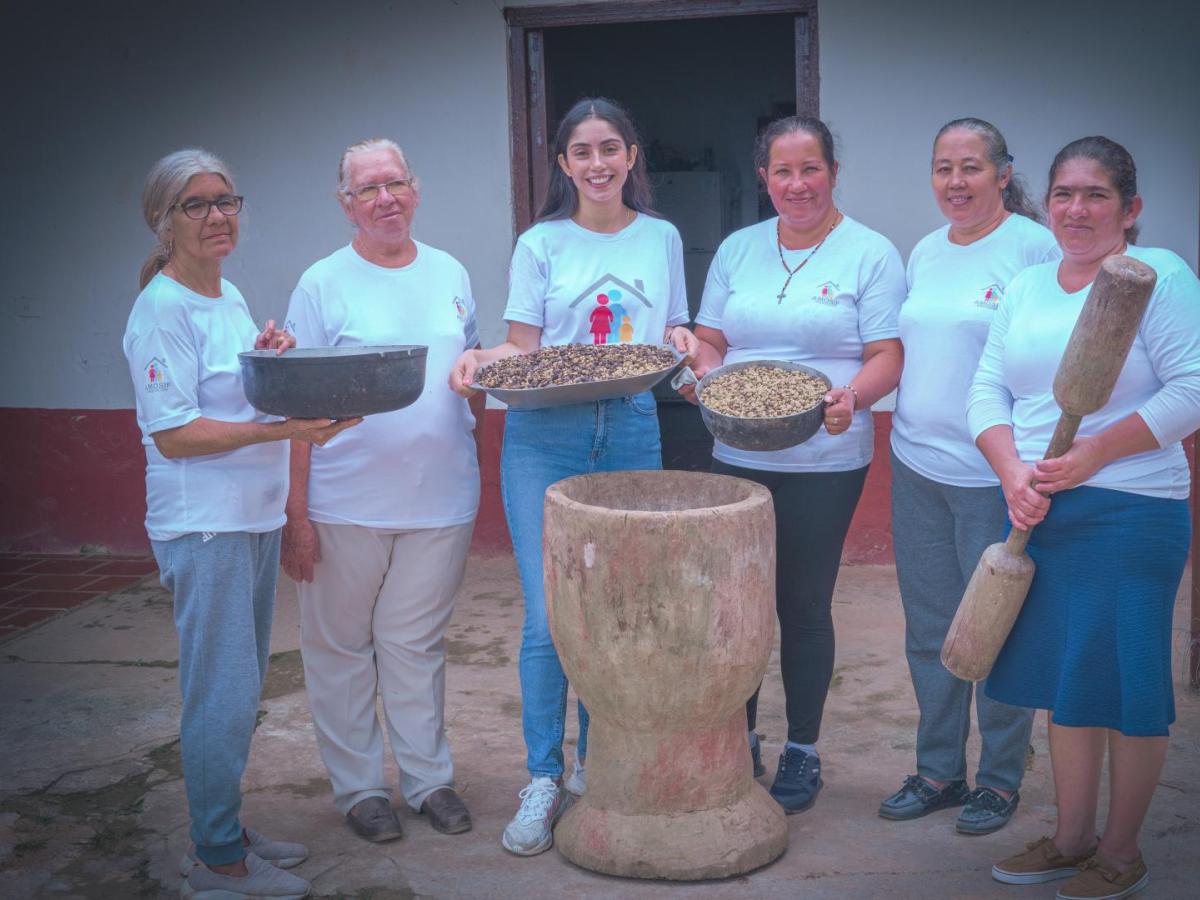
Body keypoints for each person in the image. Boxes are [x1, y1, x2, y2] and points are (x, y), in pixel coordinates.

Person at [449, 97, 697, 856]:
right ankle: (543, 776)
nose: (597, 163)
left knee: (620, 607)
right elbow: (525, 349)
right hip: (544, 435)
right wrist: (484, 360)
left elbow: (672, 336)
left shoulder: (662, 237)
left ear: (631, 158)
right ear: (562, 164)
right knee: (548, 613)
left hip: (630, 425)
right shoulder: (541, 243)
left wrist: (685, 343)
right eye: (582, 151)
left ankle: (599, 764)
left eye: (610, 148)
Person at [969, 136, 1200, 899]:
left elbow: (1193, 389)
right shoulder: (1028, 285)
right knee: (1070, 684)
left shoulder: (1156, 275)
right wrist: (1013, 474)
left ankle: (1122, 851)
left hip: (1133, 510)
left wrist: (1096, 455)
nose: (1076, 208)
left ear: (1130, 209)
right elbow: (988, 393)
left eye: (1096, 194)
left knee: (1128, 686)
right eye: (1064, 193)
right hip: (1042, 508)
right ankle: (1071, 837)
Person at [123, 149, 357, 900]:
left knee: (240, 684)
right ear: (165, 222)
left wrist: (269, 363)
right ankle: (216, 862)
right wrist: (284, 433)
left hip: (247, 520)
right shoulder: (161, 309)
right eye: (196, 205)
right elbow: (175, 433)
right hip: (207, 527)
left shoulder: (223, 298)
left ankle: (222, 827)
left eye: (226, 200)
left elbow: (233, 398)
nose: (218, 216)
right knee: (218, 692)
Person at [688, 116, 905, 814]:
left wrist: (852, 398)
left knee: (802, 604)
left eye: (810, 168)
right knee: (737, 601)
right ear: (764, 177)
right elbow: (712, 340)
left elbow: (886, 355)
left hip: (825, 453)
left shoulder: (869, 253)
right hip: (736, 447)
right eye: (783, 171)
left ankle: (803, 749)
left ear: (833, 172)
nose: (797, 184)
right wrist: (703, 374)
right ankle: (739, 734)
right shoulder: (738, 249)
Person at [281, 138, 482, 843]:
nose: (384, 199)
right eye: (367, 189)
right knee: (339, 647)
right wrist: (296, 511)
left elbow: (471, 371)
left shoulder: (451, 270)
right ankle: (361, 788)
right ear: (346, 204)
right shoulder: (321, 283)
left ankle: (429, 781)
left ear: (416, 189)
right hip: (344, 503)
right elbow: (295, 405)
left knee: (415, 644)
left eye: (394, 183)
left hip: (441, 499)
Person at [879, 118, 1057, 834]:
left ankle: (1001, 778)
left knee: (999, 629)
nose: (956, 182)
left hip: (994, 478)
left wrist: (1026, 467)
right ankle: (938, 770)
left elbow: (1047, 360)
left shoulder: (1033, 249)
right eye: (943, 168)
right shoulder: (924, 251)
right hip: (916, 464)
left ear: (1003, 173)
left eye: (972, 168)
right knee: (929, 629)